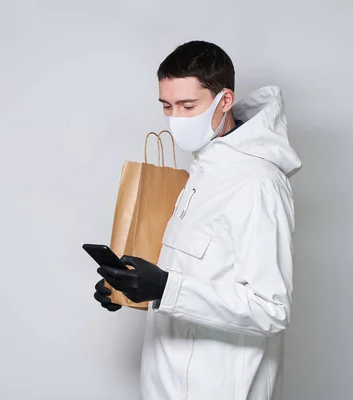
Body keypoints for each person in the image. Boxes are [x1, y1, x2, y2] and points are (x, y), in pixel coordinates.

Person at [94, 40, 301, 400]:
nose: (177, 118)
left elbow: (271, 309)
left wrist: (164, 288)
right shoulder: (203, 171)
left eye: (188, 106)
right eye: (167, 107)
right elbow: (193, 277)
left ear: (224, 100)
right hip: (166, 384)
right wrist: (133, 290)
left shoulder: (259, 184)